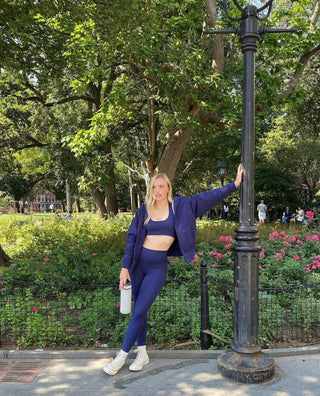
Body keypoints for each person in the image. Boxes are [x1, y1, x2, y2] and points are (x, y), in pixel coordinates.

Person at [103, 164, 243, 376]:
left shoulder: (181, 206)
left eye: (161, 186)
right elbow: (131, 240)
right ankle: (142, 353)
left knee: (139, 310)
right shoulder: (144, 212)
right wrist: (125, 268)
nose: (157, 190)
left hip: (157, 267)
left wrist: (234, 185)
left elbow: (208, 197)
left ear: (168, 188)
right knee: (141, 311)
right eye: (154, 187)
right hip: (138, 265)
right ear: (151, 190)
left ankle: (121, 356)